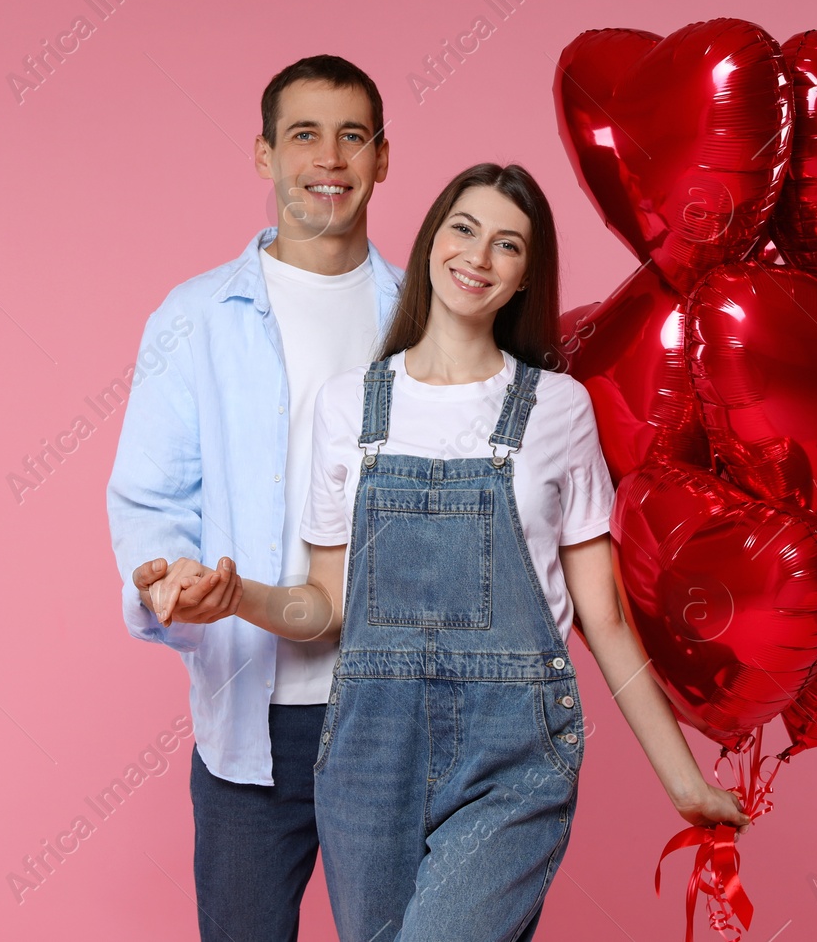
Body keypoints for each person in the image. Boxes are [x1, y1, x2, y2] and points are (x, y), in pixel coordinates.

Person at [157, 162, 750, 941]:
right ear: (434, 238)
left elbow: (602, 617)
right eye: (464, 229)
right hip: (370, 752)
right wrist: (240, 597)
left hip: (515, 750)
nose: (478, 255)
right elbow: (326, 606)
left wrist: (682, 778)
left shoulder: (557, 408)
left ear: (523, 278)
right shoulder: (351, 404)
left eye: (508, 245)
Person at [107, 54, 403, 942]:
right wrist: (168, 578)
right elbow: (152, 495)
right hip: (252, 723)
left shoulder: (421, 315)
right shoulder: (194, 317)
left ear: (383, 159)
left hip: (393, 712)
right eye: (304, 134)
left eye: (353, 136)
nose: (330, 158)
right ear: (264, 155)